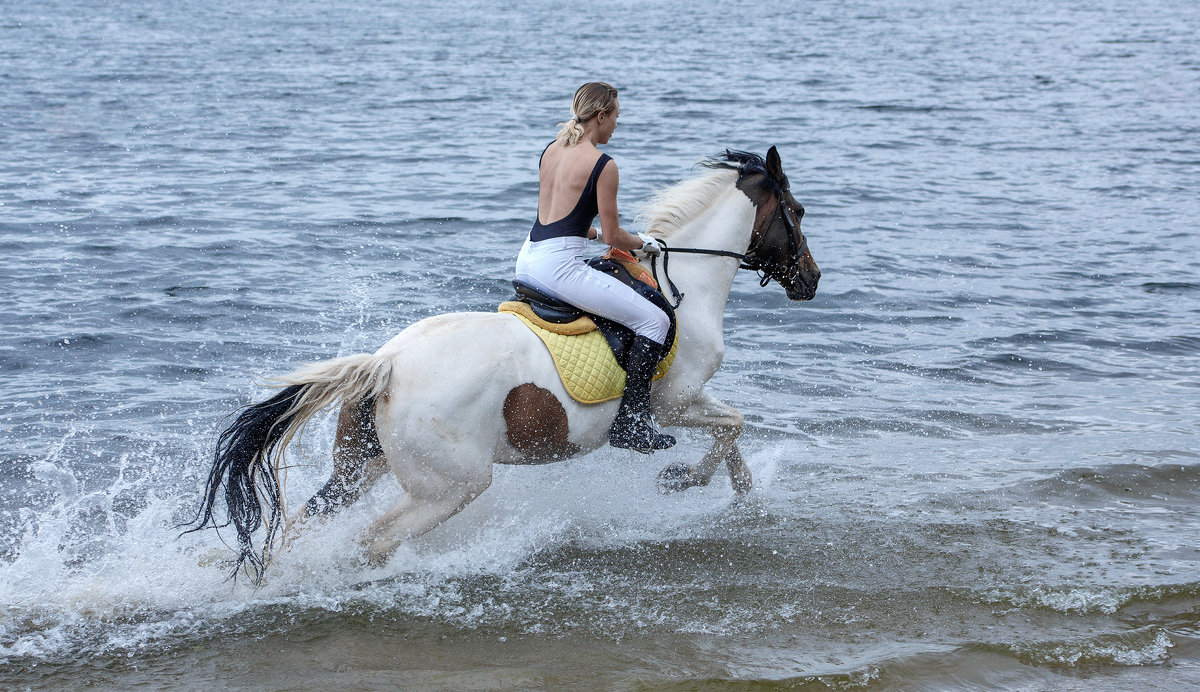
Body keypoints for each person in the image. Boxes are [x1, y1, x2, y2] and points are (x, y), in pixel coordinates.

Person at [514, 82, 675, 453]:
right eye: (616, 116)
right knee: (656, 321)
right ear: (600, 116)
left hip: (528, 257)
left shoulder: (550, 151)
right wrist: (646, 242)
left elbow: (560, 218)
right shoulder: (604, 165)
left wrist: (594, 233)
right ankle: (632, 424)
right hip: (558, 269)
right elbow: (616, 237)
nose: (617, 125)